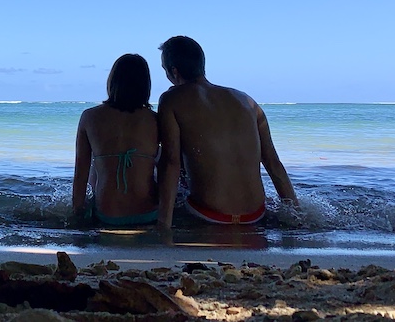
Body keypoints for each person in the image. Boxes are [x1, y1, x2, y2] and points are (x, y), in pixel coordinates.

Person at [156, 36, 297, 228]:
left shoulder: (171, 99)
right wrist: (297, 217)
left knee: (159, 159)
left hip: (210, 215)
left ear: (174, 71)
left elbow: (170, 162)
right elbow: (273, 162)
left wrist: (163, 225)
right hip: (255, 214)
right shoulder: (246, 101)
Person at [72, 53, 159, 225]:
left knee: (95, 165)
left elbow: (80, 173)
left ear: (112, 82)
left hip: (107, 214)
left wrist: (77, 215)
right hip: (149, 213)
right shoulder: (156, 119)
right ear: (145, 85)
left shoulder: (90, 117)